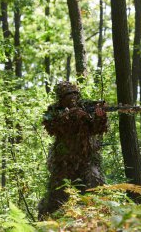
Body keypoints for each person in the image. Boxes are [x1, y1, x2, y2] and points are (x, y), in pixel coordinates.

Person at [38, 81, 108, 217]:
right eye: (68, 95)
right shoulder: (54, 110)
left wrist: (100, 117)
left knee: (94, 187)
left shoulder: (86, 107)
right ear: (61, 97)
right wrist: (69, 115)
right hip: (64, 161)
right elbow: (50, 127)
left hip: (86, 158)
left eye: (75, 94)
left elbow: (97, 129)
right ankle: (47, 222)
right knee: (57, 195)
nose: (72, 98)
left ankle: (95, 220)